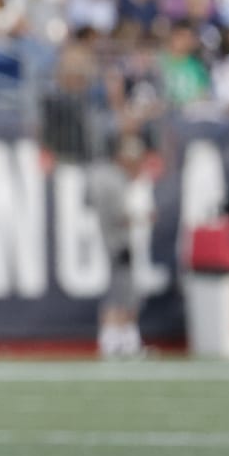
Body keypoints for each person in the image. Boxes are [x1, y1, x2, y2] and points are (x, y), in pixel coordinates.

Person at [88, 134, 150, 359]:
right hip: (118, 242)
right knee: (122, 293)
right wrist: (141, 218)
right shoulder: (114, 180)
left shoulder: (110, 178)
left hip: (114, 242)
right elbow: (118, 215)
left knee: (123, 293)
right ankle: (115, 340)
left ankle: (120, 340)